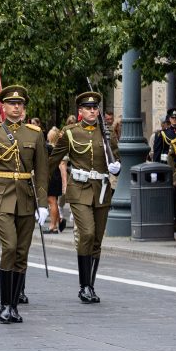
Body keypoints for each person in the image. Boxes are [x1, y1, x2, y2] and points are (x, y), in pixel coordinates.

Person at [0, 85, 48, 324]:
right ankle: (5, 305)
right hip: (2, 196)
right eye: (12, 104)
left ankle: (14, 305)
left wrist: (44, 204)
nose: (16, 107)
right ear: (3, 107)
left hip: (26, 196)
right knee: (10, 247)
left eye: (20, 104)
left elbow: (42, 172)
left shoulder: (35, 134)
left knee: (21, 253)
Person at [48, 92, 121, 303]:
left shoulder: (107, 134)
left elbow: (115, 160)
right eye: (88, 108)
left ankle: (91, 285)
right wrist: (41, 187)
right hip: (79, 189)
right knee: (87, 233)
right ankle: (84, 285)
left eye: (95, 108)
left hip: (101, 190)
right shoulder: (70, 132)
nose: (92, 111)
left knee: (97, 239)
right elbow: (53, 160)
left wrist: (117, 169)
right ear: (80, 111)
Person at [42, 127, 64, 234]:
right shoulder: (57, 148)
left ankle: (53, 226)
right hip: (56, 175)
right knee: (53, 200)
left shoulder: (48, 148)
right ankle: (58, 220)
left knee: (52, 201)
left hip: (51, 176)